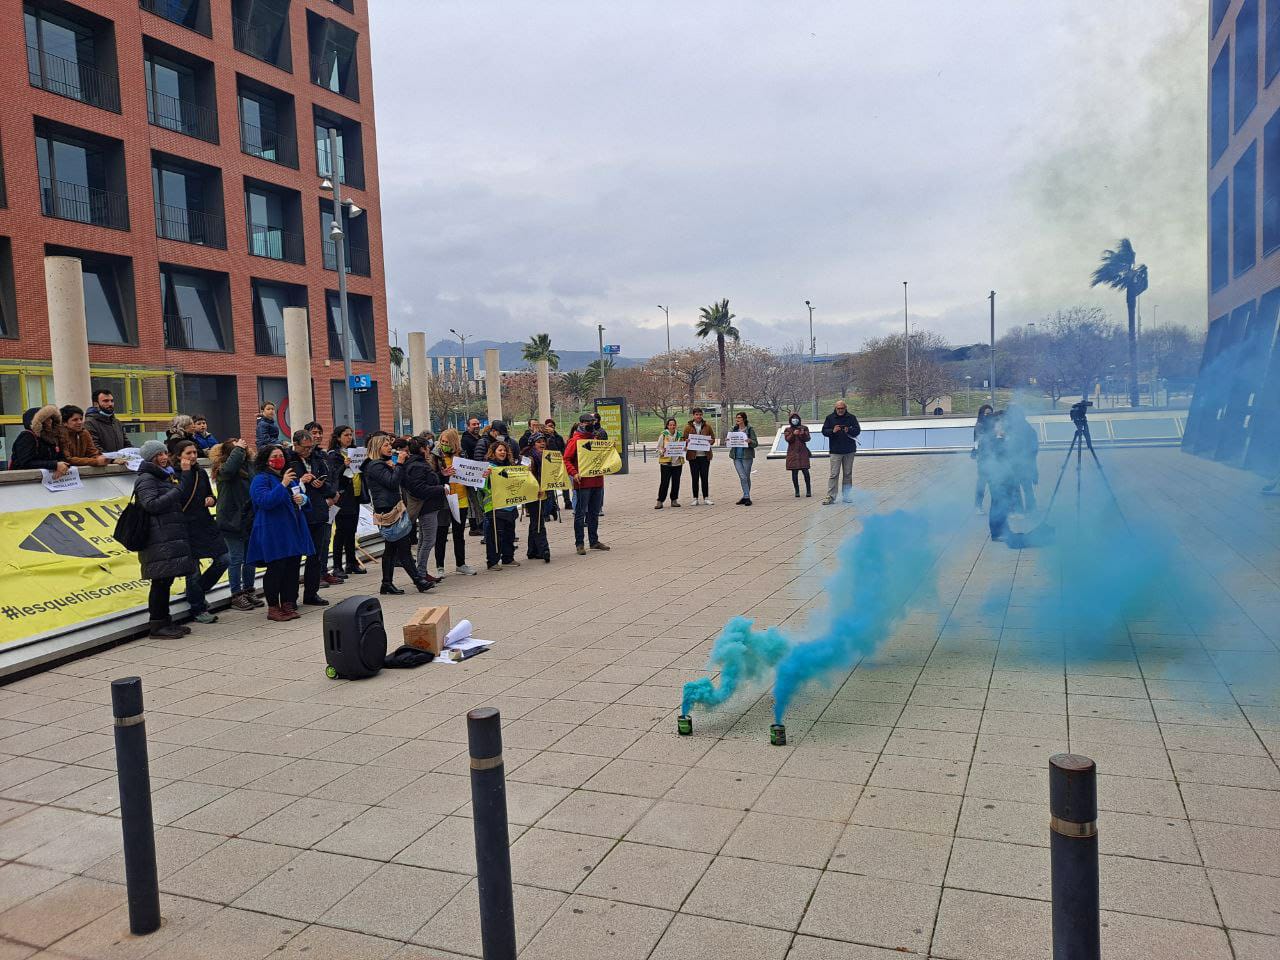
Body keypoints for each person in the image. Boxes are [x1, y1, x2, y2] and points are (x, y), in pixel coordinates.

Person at [132, 440, 196, 638]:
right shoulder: (146, 478)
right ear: (151, 458)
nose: (164, 458)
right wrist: (176, 491)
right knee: (160, 581)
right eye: (159, 455)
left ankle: (165, 620)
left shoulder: (164, 475)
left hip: (167, 534)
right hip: (157, 537)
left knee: (165, 580)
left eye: (165, 453)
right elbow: (151, 505)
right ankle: (157, 625)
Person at [247, 444, 314, 620]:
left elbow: (301, 499)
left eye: (281, 455)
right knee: (276, 569)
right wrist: (282, 484)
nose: (280, 459)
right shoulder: (260, 479)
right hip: (273, 531)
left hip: (292, 530)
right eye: (275, 456)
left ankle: (288, 602)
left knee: (292, 568)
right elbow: (265, 502)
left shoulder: (290, 478)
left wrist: (303, 500)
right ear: (266, 459)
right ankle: (273, 607)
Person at [365, 433, 433, 594]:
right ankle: (418, 581)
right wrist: (400, 464)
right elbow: (392, 482)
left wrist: (397, 466)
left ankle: (386, 583)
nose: (390, 448)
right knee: (403, 547)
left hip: (393, 507)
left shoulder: (382, 464)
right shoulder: (375, 465)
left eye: (390, 445)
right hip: (388, 510)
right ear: (377, 448)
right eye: (386, 445)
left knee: (391, 549)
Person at [174, 439, 229, 624]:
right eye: (188, 453)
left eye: (194, 453)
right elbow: (179, 496)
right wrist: (186, 472)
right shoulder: (174, 474)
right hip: (184, 526)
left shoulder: (200, 472)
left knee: (224, 558)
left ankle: (197, 592)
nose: (192, 456)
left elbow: (210, 494)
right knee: (193, 570)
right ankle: (198, 608)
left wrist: (211, 499)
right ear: (179, 455)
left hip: (204, 523)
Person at [209, 438, 261, 611]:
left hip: (248, 518)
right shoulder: (222, 469)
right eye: (238, 450)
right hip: (230, 521)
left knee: (249, 558)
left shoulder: (249, 466)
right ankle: (236, 594)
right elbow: (230, 469)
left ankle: (248, 590)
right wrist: (238, 450)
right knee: (235, 558)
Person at [288, 429, 338, 606]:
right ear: (295, 444)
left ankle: (311, 593)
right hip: (298, 514)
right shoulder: (288, 460)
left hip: (317, 510)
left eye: (311, 447)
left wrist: (322, 484)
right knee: (293, 559)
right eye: (305, 448)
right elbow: (285, 486)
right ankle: (290, 598)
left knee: (315, 557)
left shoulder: (318, 458)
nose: (308, 451)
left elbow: (330, 483)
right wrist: (301, 480)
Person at [401, 436, 450, 584]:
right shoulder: (418, 465)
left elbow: (424, 481)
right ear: (423, 449)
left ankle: (421, 571)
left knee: (424, 539)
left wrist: (441, 475)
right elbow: (419, 488)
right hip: (427, 507)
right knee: (428, 540)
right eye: (427, 447)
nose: (429, 450)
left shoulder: (416, 463)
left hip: (428, 506)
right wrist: (441, 488)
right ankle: (421, 573)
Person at [432, 428, 477, 577]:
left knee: (459, 533)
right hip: (444, 500)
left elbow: (471, 472)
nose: (444, 444)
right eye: (442, 441)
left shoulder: (462, 454)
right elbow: (431, 477)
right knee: (441, 533)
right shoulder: (435, 456)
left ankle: (461, 564)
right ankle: (440, 567)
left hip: (461, 497)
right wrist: (442, 474)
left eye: (447, 442)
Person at [565, 413, 609, 555]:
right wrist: (574, 473)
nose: (592, 424)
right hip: (582, 483)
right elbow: (566, 459)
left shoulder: (595, 438)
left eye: (594, 421)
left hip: (597, 481)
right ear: (582, 423)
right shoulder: (575, 441)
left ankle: (594, 541)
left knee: (594, 513)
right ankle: (580, 543)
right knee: (580, 513)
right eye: (590, 422)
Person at [326, 425, 367, 576]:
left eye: (351, 435)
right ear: (338, 438)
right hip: (342, 497)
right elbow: (334, 476)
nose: (349, 437)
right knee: (341, 532)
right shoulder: (334, 455)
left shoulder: (355, 451)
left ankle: (352, 562)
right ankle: (337, 566)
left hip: (355, 495)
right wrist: (344, 465)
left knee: (352, 531)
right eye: (346, 435)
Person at [480, 439, 520, 569]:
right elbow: (482, 486)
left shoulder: (510, 466)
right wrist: (487, 476)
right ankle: (492, 561)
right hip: (494, 506)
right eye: (500, 450)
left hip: (509, 506)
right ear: (493, 452)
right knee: (495, 536)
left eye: (504, 450)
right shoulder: (488, 467)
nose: (502, 452)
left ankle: (508, 558)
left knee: (510, 534)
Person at [821, 400, 861, 505]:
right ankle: (831, 496)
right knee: (834, 474)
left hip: (849, 450)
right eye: (838, 408)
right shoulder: (830, 418)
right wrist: (832, 431)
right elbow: (824, 431)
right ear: (835, 408)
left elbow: (857, 430)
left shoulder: (851, 417)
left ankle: (847, 496)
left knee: (847, 474)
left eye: (842, 408)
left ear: (845, 408)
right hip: (835, 450)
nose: (840, 410)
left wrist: (849, 430)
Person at [987, 413, 1018, 541]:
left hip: (1006, 476)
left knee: (1003, 504)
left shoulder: (1004, 439)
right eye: (1000, 424)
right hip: (997, 477)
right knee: (998, 503)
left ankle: (1004, 529)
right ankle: (996, 532)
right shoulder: (994, 441)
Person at [10, 406, 68, 476]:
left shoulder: (52, 437)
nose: (51, 421)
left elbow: (61, 457)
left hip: (45, 481)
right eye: (47, 418)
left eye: (51, 418)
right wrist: (55, 465)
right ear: (39, 421)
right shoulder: (27, 436)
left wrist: (63, 465)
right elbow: (26, 462)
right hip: (24, 481)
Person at [1005, 406, 1039, 513]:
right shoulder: (1013, 427)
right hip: (1017, 463)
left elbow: (1033, 447)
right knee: (1023, 487)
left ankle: (1026, 508)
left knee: (1023, 487)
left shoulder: (1024, 428)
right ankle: (1028, 508)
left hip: (1022, 463)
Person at [524, 434, 551, 562]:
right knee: (538, 521)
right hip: (533, 492)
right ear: (532, 444)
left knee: (535, 521)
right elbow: (525, 475)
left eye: (543, 441)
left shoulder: (545, 456)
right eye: (539, 442)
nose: (542, 444)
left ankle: (532, 551)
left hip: (542, 491)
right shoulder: (529, 457)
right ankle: (544, 549)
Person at [683, 408, 716, 506]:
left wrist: (711, 441)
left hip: (705, 456)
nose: (699, 416)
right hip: (693, 457)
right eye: (697, 414)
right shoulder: (687, 427)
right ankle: (695, 498)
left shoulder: (707, 426)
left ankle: (706, 498)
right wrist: (686, 441)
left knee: (705, 477)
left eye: (700, 414)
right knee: (695, 478)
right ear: (693, 415)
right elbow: (683, 439)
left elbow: (713, 438)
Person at [85, 388, 131, 453]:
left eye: (112, 401)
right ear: (96, 404)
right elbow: (94, 446)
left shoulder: (117, 422)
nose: (110, 404)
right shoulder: (89, 423)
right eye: (106, 401)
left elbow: (126, 443)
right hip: (105, 462)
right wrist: (111, 459)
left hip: (122, 461)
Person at [728, 411, 759, 505]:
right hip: (736, 456)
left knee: (746, 476)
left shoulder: (749, 429)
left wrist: (750, 441)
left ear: (744, 419)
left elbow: (755, 443)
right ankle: (746, 496)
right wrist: (728, 441)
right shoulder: (734, 429)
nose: (737, 419)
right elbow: (730, 441)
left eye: (739, 417)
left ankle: (746, 496)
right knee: (742, 476)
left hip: (747, 457)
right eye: (736, 417)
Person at [461, 416, 485, 535]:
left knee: (478, 500)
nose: (476, 426)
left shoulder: (479, 438)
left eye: (477, 424)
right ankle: (474, 526)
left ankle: (479, 523)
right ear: (468, 426)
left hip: (479, 474)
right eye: (473, 424)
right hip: (470, 474)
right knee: (473, 501)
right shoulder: (466, 440)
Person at [542, 418, 572, 509]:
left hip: (559, 462)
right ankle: (553, 504)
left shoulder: (558, 437)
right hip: (549, 463)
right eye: (549, 426)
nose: (551, 428)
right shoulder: (544, 438)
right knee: (551, 485)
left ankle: (567, 501)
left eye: (552, 426)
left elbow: (562, 448)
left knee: (563, 482)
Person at [656, 417, 683, 508]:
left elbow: (683, 447)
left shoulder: (679, 435)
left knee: (676, 482)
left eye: (674, 425)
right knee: (664, 482)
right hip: (666, 463)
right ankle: (660, 501)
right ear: (667, 426)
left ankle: (674, 500)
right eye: (670, 425)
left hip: (677, 463)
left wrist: (685, 447)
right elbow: (658, 448)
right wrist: (661, 451)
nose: (672, 426)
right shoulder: (663, 435)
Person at [972, 404, 996, 510]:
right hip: (983, 458)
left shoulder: (993, 424)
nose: (989, 416)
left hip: (993, 457)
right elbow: (977, 441)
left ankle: (995, 506)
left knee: (993, 482)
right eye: (986, 414)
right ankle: (978, 506)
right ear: (982, 414)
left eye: (990, 413)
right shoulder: (980, 425)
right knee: (982, 482)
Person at [784, 412, 811, 498]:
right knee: (794, 472)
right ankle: (797, 491)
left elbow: (807, 439)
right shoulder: (788, 429)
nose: (794, 420)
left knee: (806, 472)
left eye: (796, 418)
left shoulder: (804, 428)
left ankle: (808, 490)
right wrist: (793, 434)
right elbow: (788, 439)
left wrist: (802, 434)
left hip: (803, 453)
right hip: (793, 454)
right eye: (793, 418)